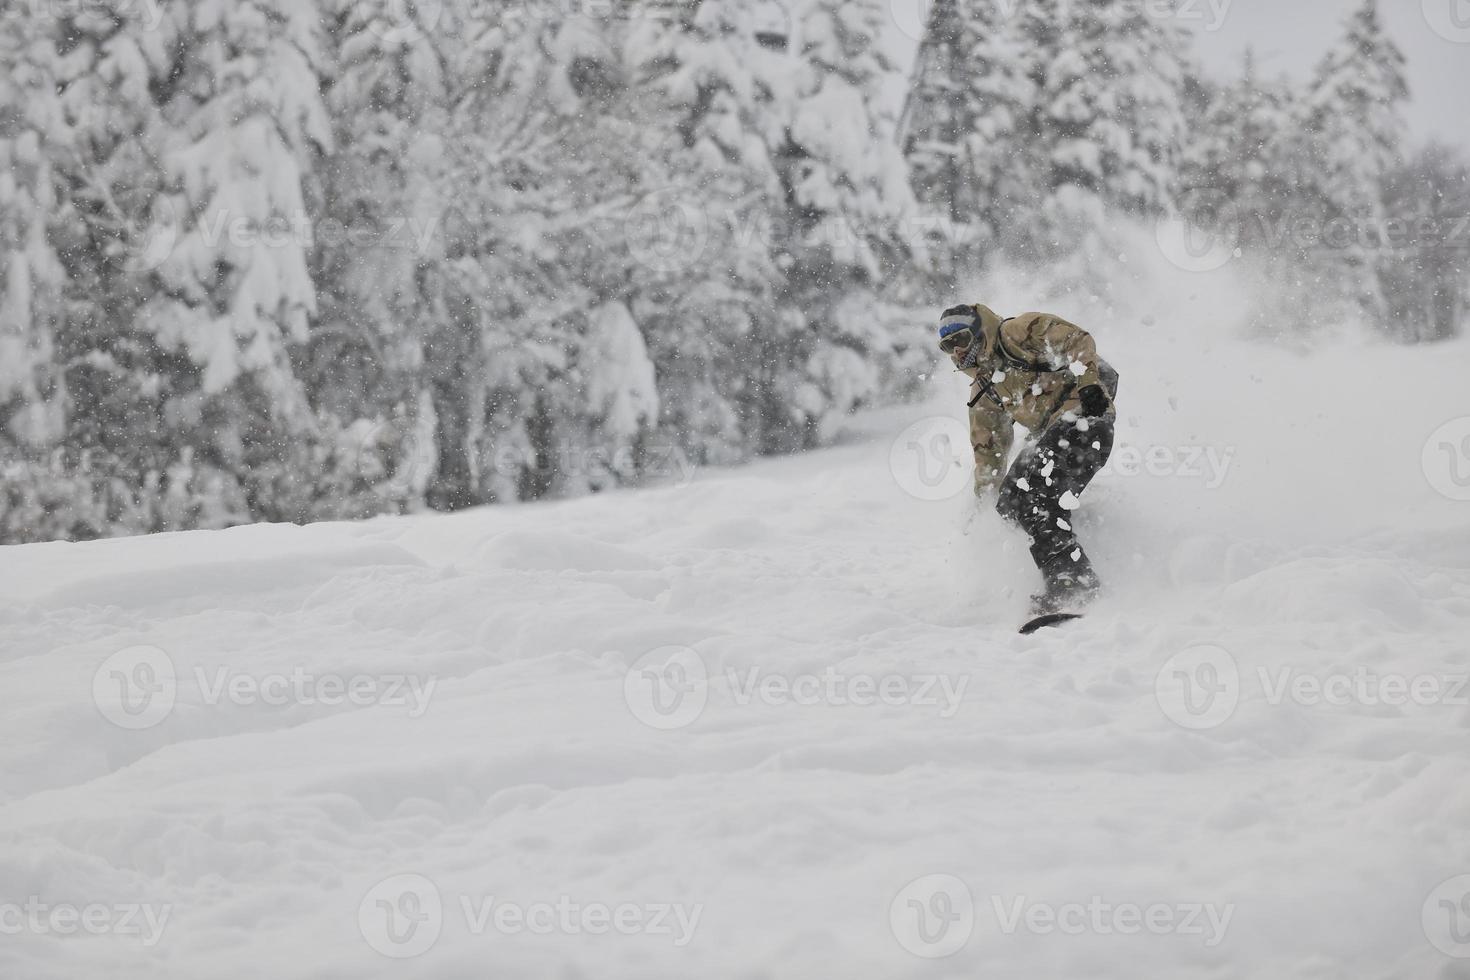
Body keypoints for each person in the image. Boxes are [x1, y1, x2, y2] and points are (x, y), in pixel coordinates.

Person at [937, 303, 1119, 615]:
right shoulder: (984, 389)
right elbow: (988, 453)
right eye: (947, 347)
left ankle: (1074, 582)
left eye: (961, 340)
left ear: (980, 333)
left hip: (1086, 417)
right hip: (1054, 433)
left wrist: (1089, 382)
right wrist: (983, 510)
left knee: (1033, 492)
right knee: (1009, 504)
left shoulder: (1016, 333)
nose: (956, 352)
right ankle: (1083, 548)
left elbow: (1076, 339)